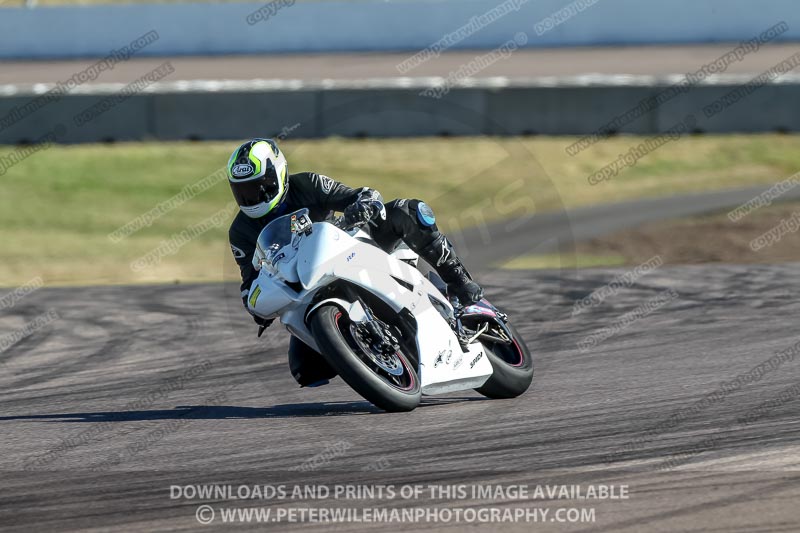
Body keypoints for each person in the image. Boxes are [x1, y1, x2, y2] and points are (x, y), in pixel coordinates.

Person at [227, 138, 483, 386]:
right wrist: (255, 305)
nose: (255, 197)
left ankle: (459, 281)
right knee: (306, 370)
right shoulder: (240, 232)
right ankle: (375, 360)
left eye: (261, 185)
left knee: (408, 210)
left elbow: (357, 195)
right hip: (305, 287)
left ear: (279, 173)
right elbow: (250, 279)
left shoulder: (307, 183)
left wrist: (362, 204)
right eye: (244, 190)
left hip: (349, 248)